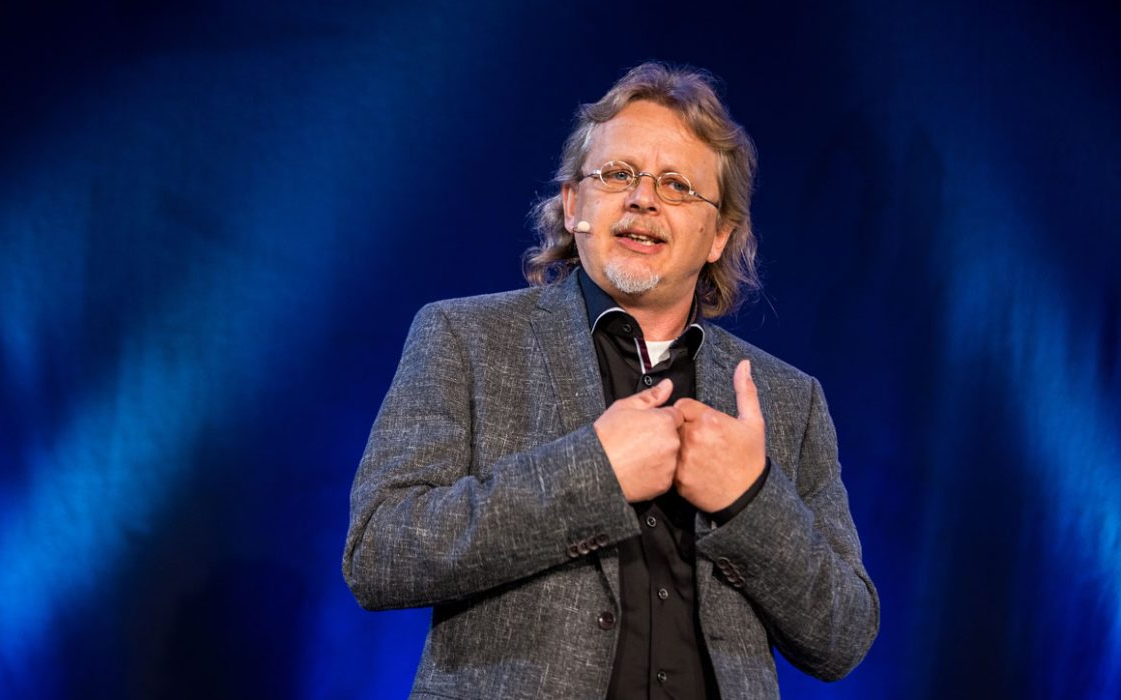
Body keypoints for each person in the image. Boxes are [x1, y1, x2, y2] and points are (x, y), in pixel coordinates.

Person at [343, 61, 878, 700]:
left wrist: (750, 499)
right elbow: (380, 553)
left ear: (719, 235)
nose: (643, 198)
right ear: (574, 205)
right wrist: (594, 474)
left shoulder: (788, 400)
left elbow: (843, 637)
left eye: (677, 185)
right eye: (619, 174)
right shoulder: (465, 338)